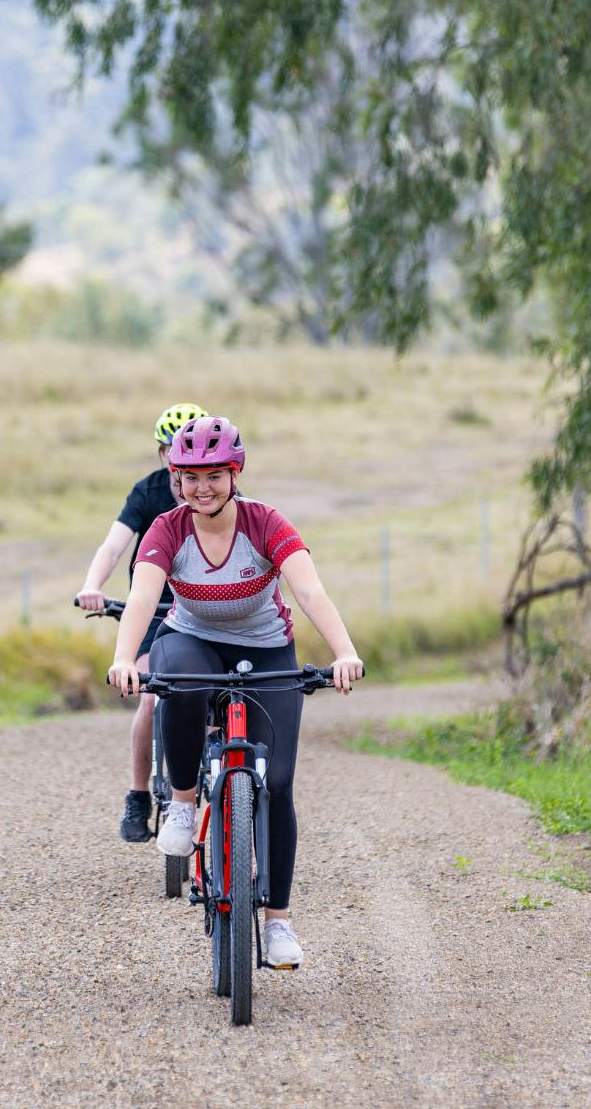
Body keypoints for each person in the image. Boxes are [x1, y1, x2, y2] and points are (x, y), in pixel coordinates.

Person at [106, 414, 363, 970]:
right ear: (175, 477)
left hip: (266, 650)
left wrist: (344, 651)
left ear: (235, 472)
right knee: (182, 682)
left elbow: (310, 590)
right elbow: (146, 597)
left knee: (281, 783)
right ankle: (179, 806)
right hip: (191, 639)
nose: (203, 487)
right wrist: (125, 657)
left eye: (215, 475)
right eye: (190, 476)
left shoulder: (265, 523)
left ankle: (277, 924)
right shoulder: (168, 530)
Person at [74, 402, 207, 842]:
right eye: (171, 448)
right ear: (162, 453)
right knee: (151, 697)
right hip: (151, 609)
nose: (178, 458)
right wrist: (93, 584)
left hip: (204, 610)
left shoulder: (218, 493)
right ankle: (138, 794)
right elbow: (115, 545)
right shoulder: (148, 493)